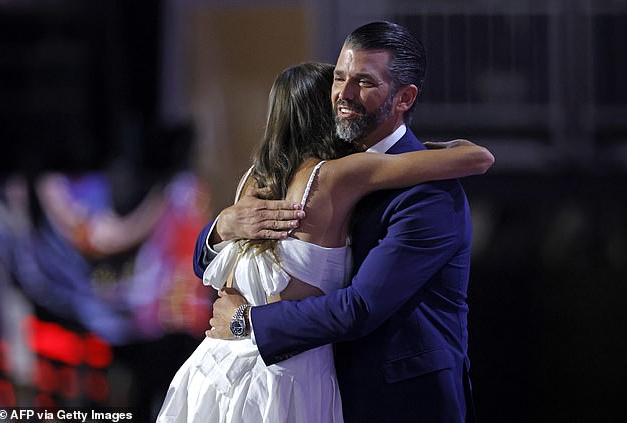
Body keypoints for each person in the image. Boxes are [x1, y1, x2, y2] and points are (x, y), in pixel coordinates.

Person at [198, 22, 486, 422]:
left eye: (364, 81)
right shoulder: (317, 167)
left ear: (405, 97)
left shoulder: (429, 194)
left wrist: (247, 322)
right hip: (319, 395)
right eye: (339, 77)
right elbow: (234, 258)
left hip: (399, 405)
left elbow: (362, 306)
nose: (344, 94)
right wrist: (222, 228)